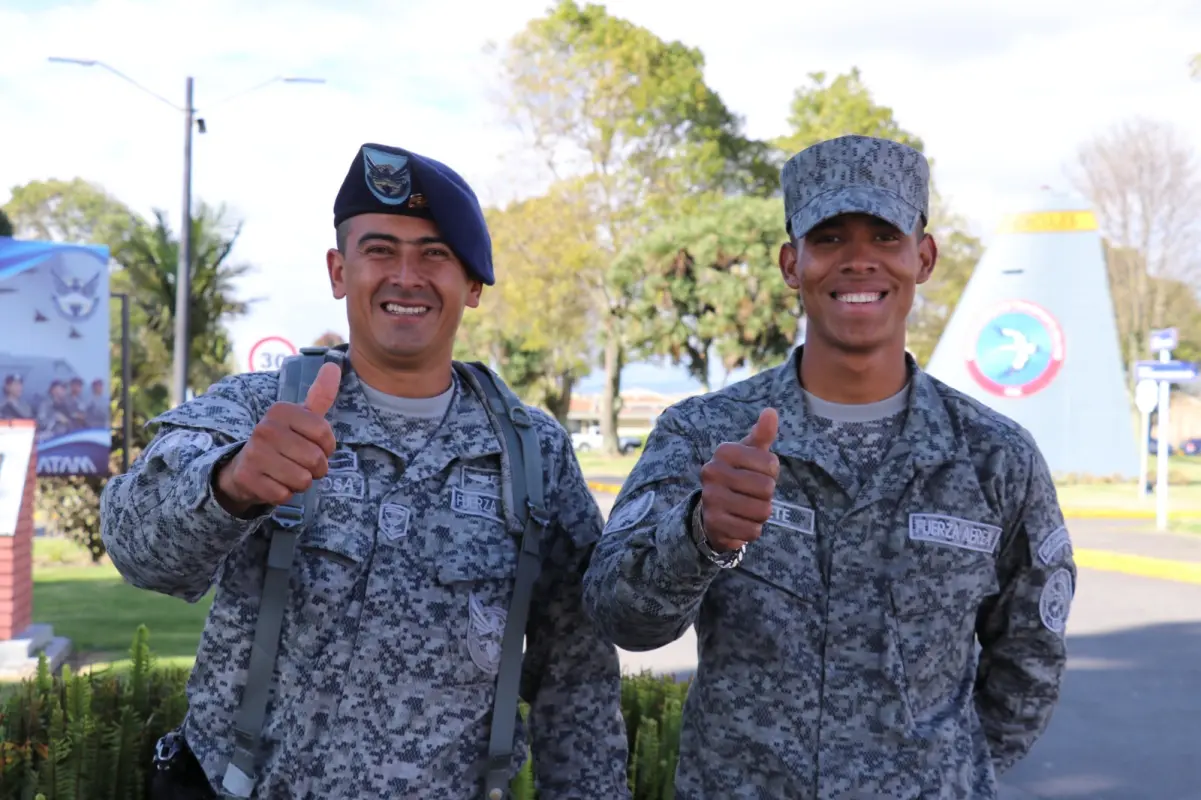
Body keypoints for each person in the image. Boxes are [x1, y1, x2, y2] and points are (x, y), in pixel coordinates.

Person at [101, 142, 630, 799]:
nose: (406, 276)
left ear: (472, 285)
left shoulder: (533, 453)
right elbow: (135, 547)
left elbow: (575, 673)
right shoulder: (257, 412)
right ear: (338, 271)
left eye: (435, 254)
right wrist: (230, 485)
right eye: (380, 249)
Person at [583, 134, 1076, 799]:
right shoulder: (705, 436)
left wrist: (940, 773)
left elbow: (1029, 658)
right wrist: (699, 537)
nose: (858, 260)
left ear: (923, 257)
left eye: (884, 237)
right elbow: (618, 616)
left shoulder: (995, 458)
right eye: (830, 238)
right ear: (792, 263)